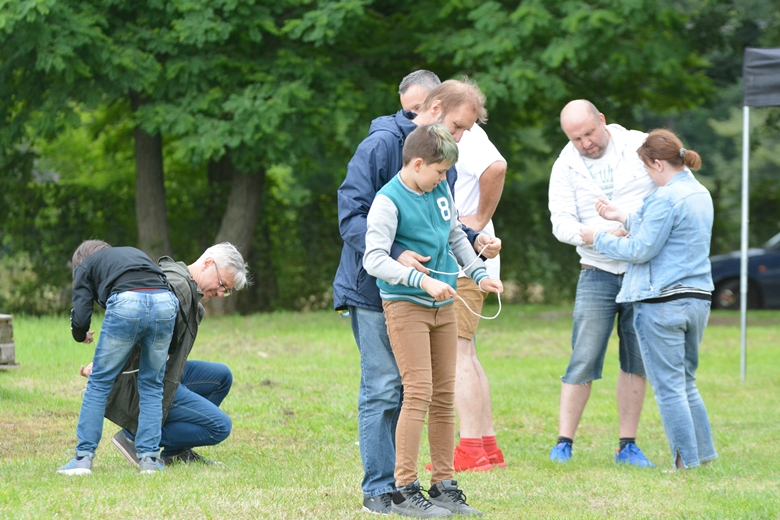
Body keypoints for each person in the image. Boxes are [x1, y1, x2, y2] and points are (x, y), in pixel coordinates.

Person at [334, 78, 502, 514]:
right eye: (459, 126)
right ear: (435, 109)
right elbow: (353, 217)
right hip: (374, 289)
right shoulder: (381, 147)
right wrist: (399, 258)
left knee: (427, 392)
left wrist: (475, 248)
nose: (462, 137)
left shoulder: (438, 167)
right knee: (387, 388)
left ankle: (436, 486)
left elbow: (439, 222)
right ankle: (382, 490)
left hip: (431, 295)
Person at [580, 129, 717, 470]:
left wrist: (598, 238)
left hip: (661, 303)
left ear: (657, 163)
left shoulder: (664, 197)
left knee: (669, 388)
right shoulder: (699, 194)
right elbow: (663, 229)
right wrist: (622, 216)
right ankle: (703, 456)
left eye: (646, 168)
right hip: (697, 300)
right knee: (687, 381)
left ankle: (684, 463)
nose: (647, 176)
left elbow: (641, 249)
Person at [400, 70, 507, 471]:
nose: (412, 117)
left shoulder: (460, 132)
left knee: (457, 353)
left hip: (461, 257)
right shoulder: (450, 131)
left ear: (435, 104)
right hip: (467, 254)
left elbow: (497, 167)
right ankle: (486, 445)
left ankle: (469, 447)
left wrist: (477, 221)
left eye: (416, 108)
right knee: (468, 352)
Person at [547, 100, 657, 466]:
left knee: (636, 360)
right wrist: (596, 236)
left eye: (589, 133)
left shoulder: (639, 144)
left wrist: (638, 225)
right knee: (583, 356)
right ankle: (564, 442)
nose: (585, 143)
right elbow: (559, 222)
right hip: (595, 270)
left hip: (641, 271)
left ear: (602, 121)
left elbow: (669, 189)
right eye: (576, 138)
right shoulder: (565, 165)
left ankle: (628, 445)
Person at [103, 242, 248, 466]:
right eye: (222, 284)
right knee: (220, 427)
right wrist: (108, 359)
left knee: (221, 377)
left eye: (226, 290)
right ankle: (135, 438)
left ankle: (176, 451)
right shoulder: (177, 287)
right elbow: (136, 323)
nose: (221, 293)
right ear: (209, 263)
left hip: (166, 373)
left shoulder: (187, 288)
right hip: (146, 382)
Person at [58, 240, 179, 475]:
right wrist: (169, 347)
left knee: (100, 383)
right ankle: (149, 462)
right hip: (165, 303)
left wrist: (81, 335)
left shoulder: (85, 266)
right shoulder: (135, 254)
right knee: (152, 385)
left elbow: (81, 318)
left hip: (127, 303)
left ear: (80, 261)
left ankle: (82, 460)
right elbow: (166, 287)